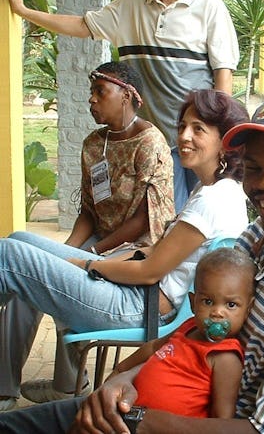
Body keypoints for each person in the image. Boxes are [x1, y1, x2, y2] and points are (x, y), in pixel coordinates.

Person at [0, 93, 264, 434]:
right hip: (151, 394)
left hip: (168, 410)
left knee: (9, 259)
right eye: (255, 168)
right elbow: (191, 332)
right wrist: (125, 378)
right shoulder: (255, 239)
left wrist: (141, 419)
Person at [0, 89, 249, 413]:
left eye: (198, 129)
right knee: (21, 240)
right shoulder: (215, 190)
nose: (185, 136)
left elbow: (150, 271)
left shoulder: (213, 200)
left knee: (9, 257)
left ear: (225, 142)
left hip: (138, 305)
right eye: (183, 126)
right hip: (139, 293)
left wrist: (89, 264)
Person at [0, 0, 240, 211]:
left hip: (199, 138)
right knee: (170, 218)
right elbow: (81, 25)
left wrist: (222, 133)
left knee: (209, 212)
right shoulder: (131, 6)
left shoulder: (210, 6)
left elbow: (223, 74)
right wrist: (25, 12)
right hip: (157, 142)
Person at [0, 61, 175, 411]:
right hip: (99, 239)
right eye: (91, 93)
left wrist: (89, 251)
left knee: (45, 273)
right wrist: (64, 251)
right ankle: (6, 387)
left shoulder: (150, 143)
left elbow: (143, 221)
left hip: (133, 251)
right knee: (24, 255)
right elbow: (88, 212)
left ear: (127, 95)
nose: (92, 101)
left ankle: (66, 387)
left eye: (101, 93)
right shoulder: (94, 143)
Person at [114, 248, 256, 419]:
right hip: (129, 416)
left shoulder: (225, 357)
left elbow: (222, 417)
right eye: (208, 301)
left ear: (247, 310)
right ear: (193, 303)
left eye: (231, 305)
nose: (217, 312)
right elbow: (153, 347)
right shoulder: (188, 327)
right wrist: (120, 370)